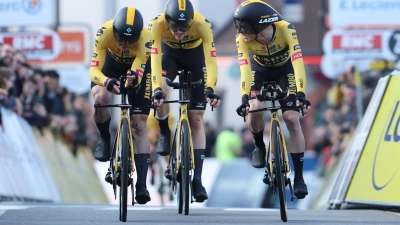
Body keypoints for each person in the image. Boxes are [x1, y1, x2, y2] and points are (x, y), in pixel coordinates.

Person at [233, 0, 311, 199]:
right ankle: (259, 145)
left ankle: (299, 177)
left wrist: (301, 94)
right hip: (259, 72)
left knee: (292, 119)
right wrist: (244, 97)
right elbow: (244, 69)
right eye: (239, 27)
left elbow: (298, 62)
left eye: (245, 27)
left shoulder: (286, 29)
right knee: (254, 108)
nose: (241, 31)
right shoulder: (241, 39)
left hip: (285, 72)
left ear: (259, 26)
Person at [149, 0, 221, 202]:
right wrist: (156, 89)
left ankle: (197, 180)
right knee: (162, 92)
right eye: (174, 27)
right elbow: (154, 60)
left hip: (194, 59)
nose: (179, 31)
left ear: (191, 22)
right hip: (168, 56)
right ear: (167, 20)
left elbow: (211, 61)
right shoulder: (156, 24)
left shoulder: (202, 24)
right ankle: (165, 132)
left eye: (184, 27)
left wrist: (210, 89)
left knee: (196, 119)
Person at [89, 6, 152, 204]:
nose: (124, 44)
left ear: (139, 36)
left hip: (138, 67)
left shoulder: (147, 39)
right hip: (111, 65)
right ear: (114, 31)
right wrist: (107, 82)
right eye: (120, 39)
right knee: (101, 99)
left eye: (130, 40)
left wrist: (134, 79)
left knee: (139, 125)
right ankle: (105, 138)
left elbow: (138, 71)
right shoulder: (104, 33)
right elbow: (94, 71)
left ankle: (142, 184)